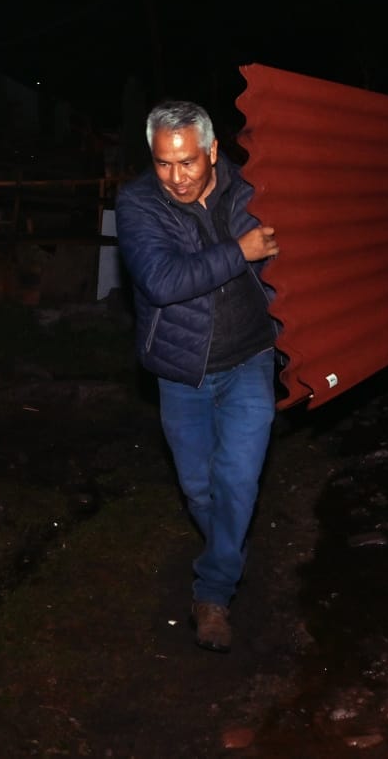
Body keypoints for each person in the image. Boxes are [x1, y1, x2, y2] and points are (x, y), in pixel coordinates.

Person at [115, 100, 280, 653]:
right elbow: (162, 280)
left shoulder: (252, 187)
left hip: (251, 358)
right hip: (182, 371)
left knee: (237, 480)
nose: (177, 178)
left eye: (187, 162)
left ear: (212, 151)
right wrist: (242, 251)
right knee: (199, 487)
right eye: (164, 163)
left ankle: (212, 594)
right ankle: (229, 551)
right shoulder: (138, 203)